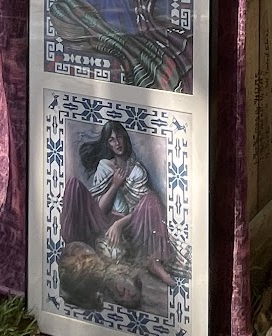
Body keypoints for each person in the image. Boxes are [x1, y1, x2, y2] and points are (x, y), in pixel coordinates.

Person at [59, 118, 184, 286]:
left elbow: (142, 209)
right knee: (73, 185)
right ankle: (74, 247)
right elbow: (100, 209)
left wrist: (119, 224)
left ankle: (154, 262)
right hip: (103, 221)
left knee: (152, 199)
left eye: (119, 137)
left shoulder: (137, 170)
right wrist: (115, 185)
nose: (117, 143)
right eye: (111, 140)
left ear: (125, 138)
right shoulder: (104, 166)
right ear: (107, 144)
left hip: (130, 226)